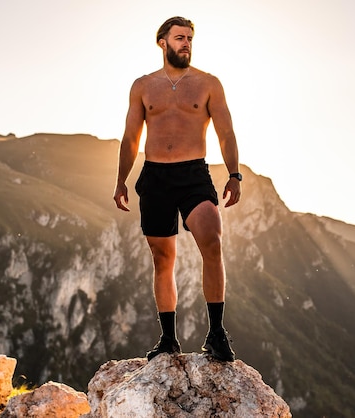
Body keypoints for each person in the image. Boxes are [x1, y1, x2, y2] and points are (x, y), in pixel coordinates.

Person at [113, 16, 241, 362]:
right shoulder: (142, 86)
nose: (186, 43)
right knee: (162, 258)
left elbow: (226, 134)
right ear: (163, 43)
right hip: (154, 177)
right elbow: (130, 138)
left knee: (211, 241)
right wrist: (121, 180)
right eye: (179, 38)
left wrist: (234, 173)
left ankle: (216, 332)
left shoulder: (208, 83)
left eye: (189, 38)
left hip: (193, 176)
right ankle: (168, 339)